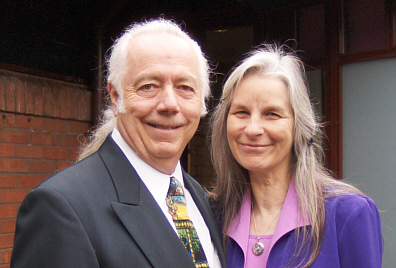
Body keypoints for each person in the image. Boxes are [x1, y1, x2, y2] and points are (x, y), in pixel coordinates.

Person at [11, 19, 226, 268]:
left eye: (185, 87)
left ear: (202, 101)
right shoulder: (61, 207)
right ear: (115, 96)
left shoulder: (198, 196)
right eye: (149, 86)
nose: (170, 104)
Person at [209, 45, 382, 267]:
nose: (252, 129)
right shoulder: (212, 215)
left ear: (298, 126)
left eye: (271, 114)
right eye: (241, 112)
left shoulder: (348, 215)